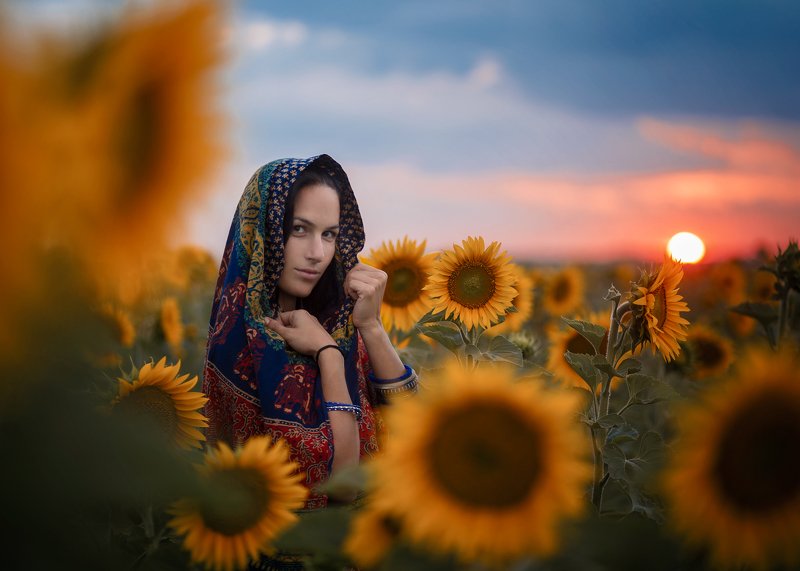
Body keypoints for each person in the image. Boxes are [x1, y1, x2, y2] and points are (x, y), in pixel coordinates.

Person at [202, 154, 418, 512]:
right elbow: (340, 489)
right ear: (264, 230)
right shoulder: (241, 348)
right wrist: (329, 356)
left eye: (329, 234)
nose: (318, 253)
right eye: (299, 229)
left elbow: (415, 425)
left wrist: (371, 326)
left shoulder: (336, 325)